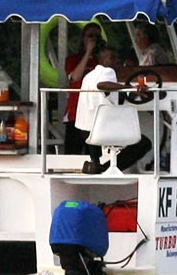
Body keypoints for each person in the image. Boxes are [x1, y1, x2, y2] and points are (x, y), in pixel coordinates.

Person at [75, 46, 154, 174]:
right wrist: (132, 88)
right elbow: (102, 85)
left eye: (117, 58)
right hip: (102, 129)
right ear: (102, 60)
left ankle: (96, 164)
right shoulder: (108, 71)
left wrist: (125, 90)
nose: (117, 60)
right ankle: (106, 169)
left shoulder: (88, 76)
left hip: (85, 129)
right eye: (112, 58)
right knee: (144, 143)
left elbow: (103, 93)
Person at [62, 22, 106, 157]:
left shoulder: (102, 61)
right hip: (76, 112)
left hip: (96, 114)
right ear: (83, 38)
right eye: (91, 36)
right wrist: (88, 52)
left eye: (97, 37)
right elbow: (75, 77)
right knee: (73, 154)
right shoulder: (72, 59)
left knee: (94, 155)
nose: (94, 39)